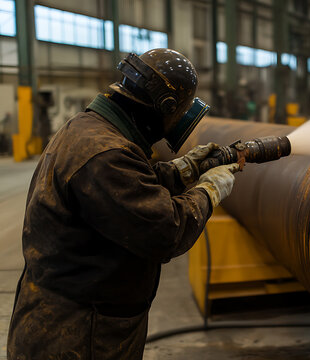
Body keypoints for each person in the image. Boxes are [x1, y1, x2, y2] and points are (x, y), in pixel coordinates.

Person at [7, 48, 238, 360]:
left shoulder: (91, 129)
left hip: (70, 315)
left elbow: (128, 188)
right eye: (178, 113)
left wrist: (182, 171)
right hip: (82, 333)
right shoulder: (106, 155)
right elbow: (165, 231)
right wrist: (209, 190)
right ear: (165, 107)